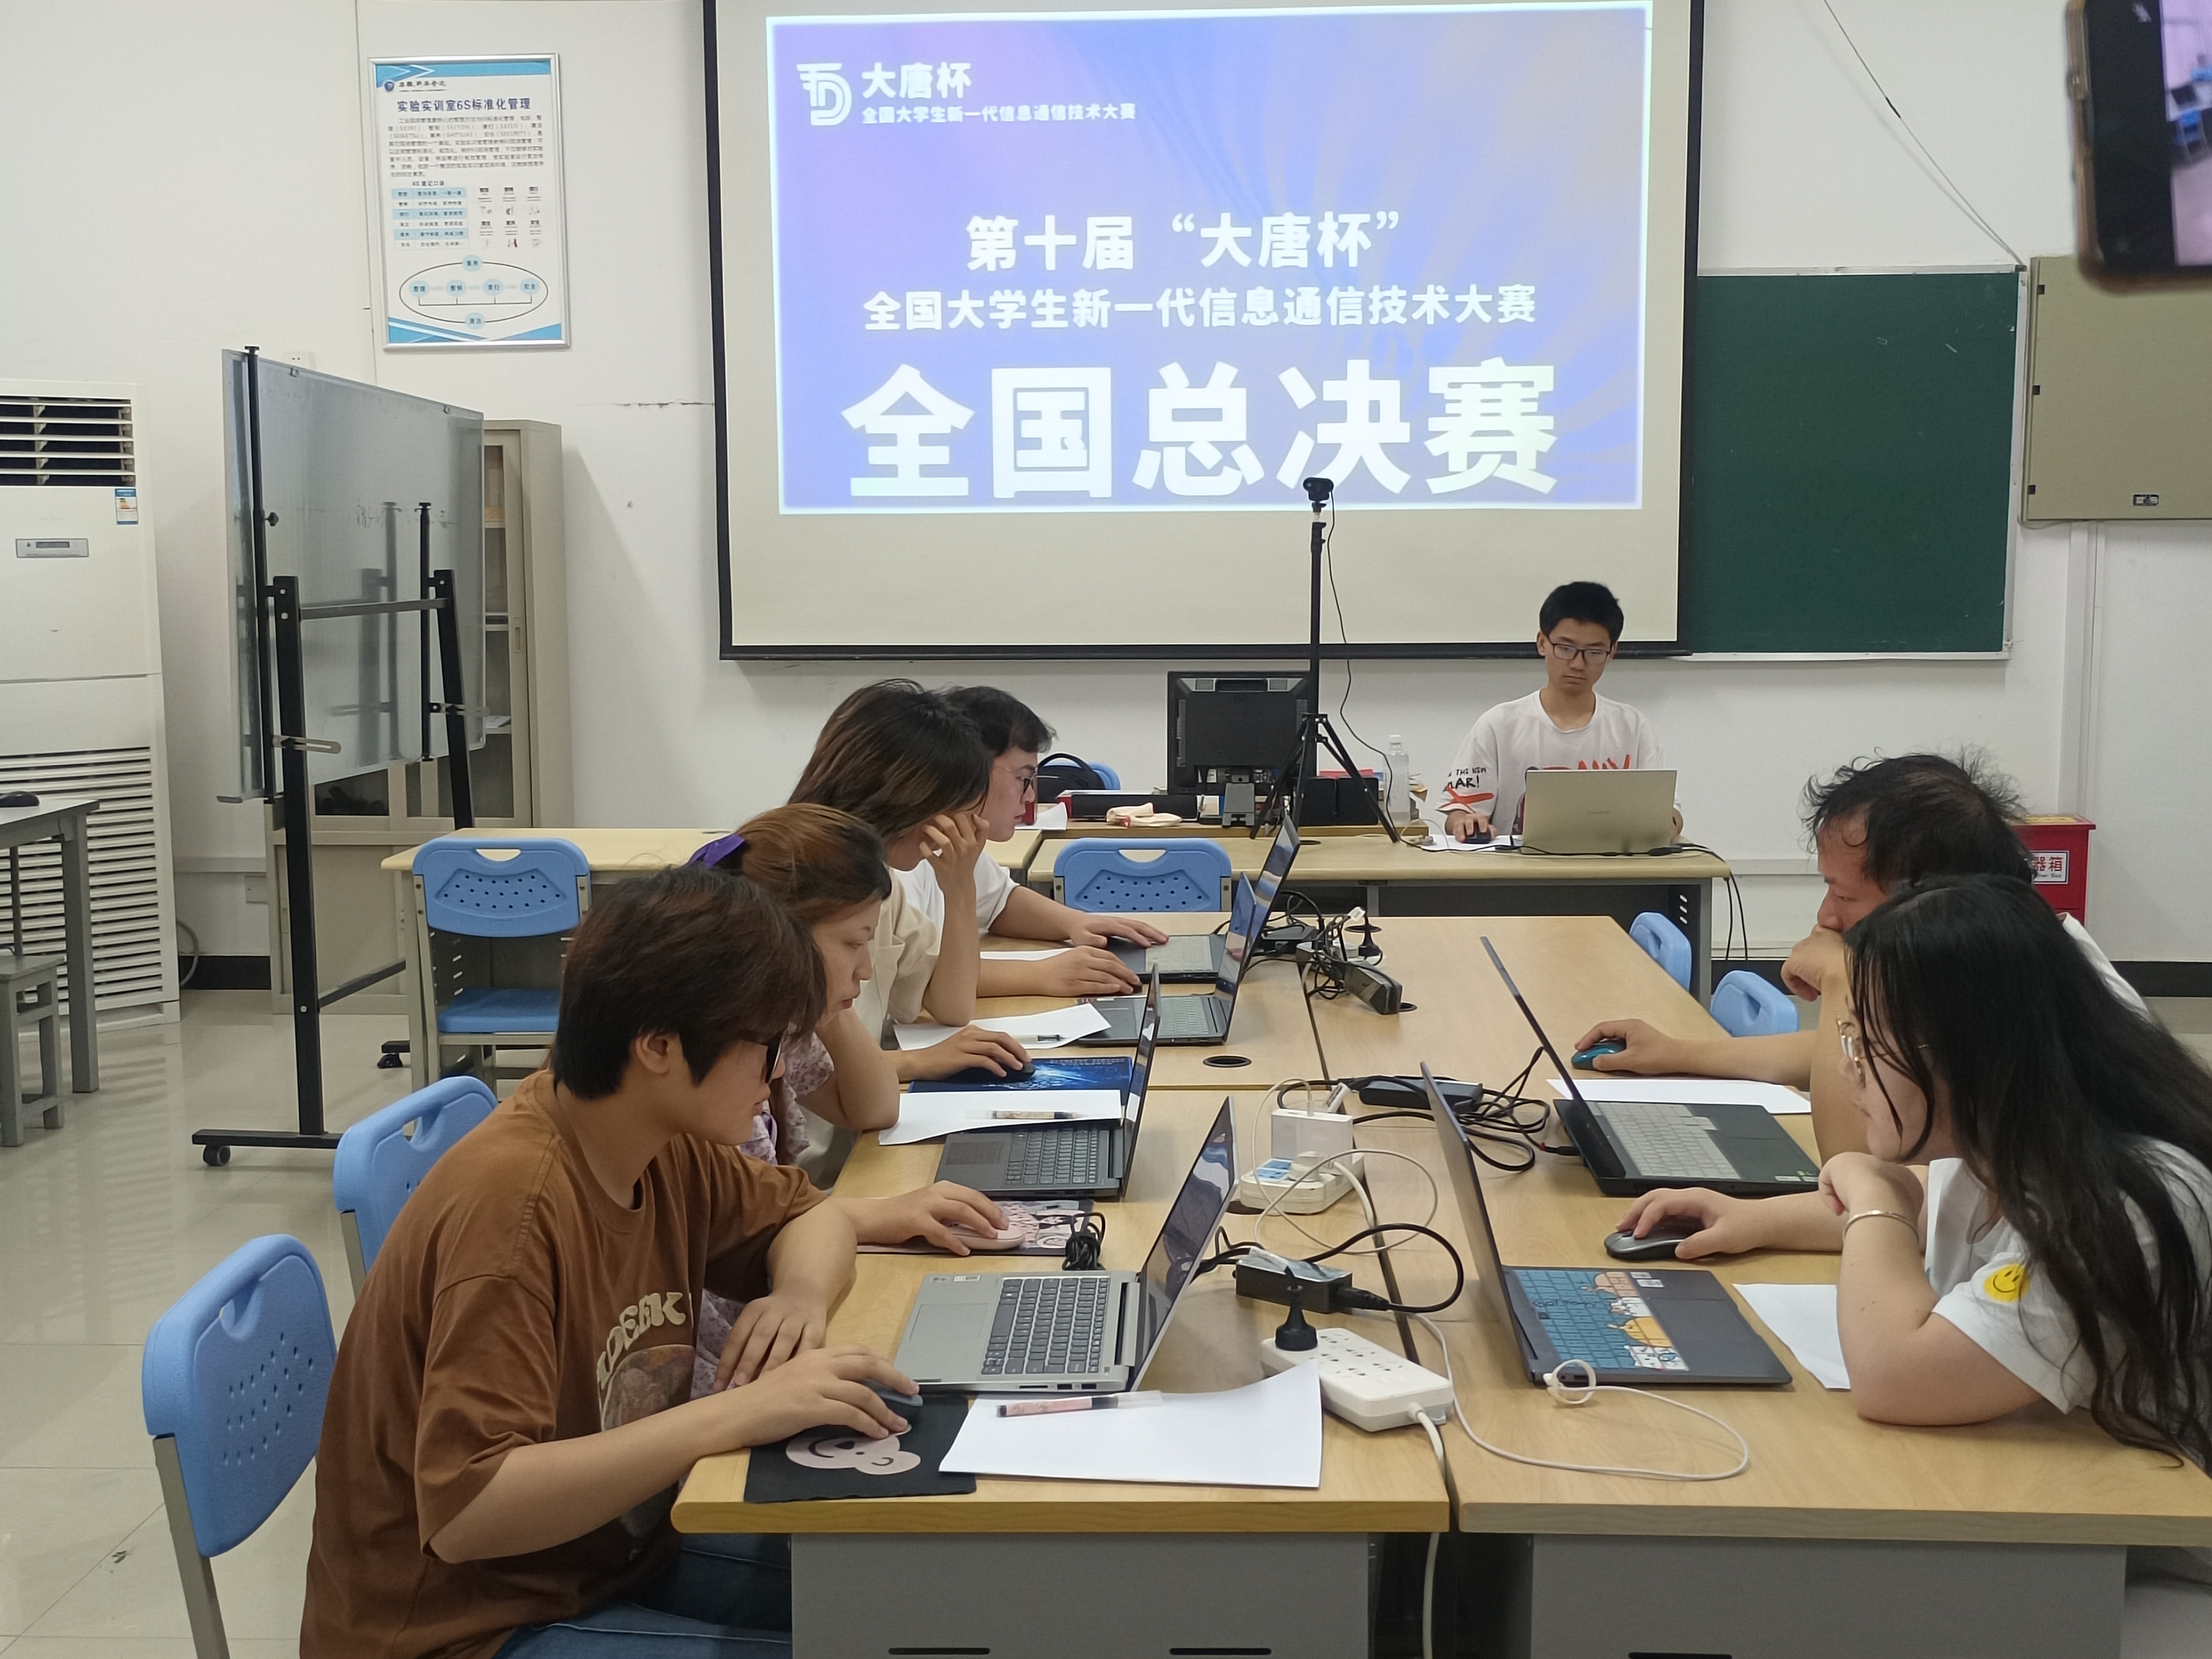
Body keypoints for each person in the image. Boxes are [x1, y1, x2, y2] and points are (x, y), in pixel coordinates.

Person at [301, 866, 915, 1659]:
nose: (774, 1076)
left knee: (905, 1596)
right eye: (764, 1046)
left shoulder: (658, 1139)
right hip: (464, 1626)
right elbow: (468, 1511)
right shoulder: (514, 1211)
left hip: (602, 1557)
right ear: (658, 1045)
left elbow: (810, 1214)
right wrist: (738, 1413)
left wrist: (797, 1295)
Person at [1616, 876, 2212, 1477]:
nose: (1849, 1069)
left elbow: (1894, 1378)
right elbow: (1932, 1199)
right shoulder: (2018, 1136)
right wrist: (1756, 1218)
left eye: (1868, 1044)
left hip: (2141, 1518)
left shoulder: (2123, 1204)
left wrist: (1874, 1196)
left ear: (1967, 1054)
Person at [1576, 752, 2147, 1158]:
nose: (1826, 917)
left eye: (1844, 896)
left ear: (1924, 896)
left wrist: (1845, 978)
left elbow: (1854, 1165)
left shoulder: (2012, 985)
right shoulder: (1989, 943)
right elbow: (1860, 1059)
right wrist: (1678, 1053)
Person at [685, 805, 1009, 1395]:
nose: (865, 969)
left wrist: (826, 1004)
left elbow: (876, 1108)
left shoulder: (777, 1030)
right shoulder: (708, 1068)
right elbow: (730, 1224)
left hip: (758, 1330)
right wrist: (873, 1215)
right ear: (782, 937)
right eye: (854, 943)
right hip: (723, 1362)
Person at [788, 680, 1030, 1083]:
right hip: (818, 1120)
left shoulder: (882, 880)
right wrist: (916, 1063)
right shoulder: (792, 890)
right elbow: (796, 1074)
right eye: (954, 806)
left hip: (861, 1106)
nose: (962, 824)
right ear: (906, 798)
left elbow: (953, 1006)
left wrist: (960, 887)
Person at [931, 685, 1169, 998]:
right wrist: (1038, 973)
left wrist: (1076, 923)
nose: (1031, 796)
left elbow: (999, 902)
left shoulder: (958, 841)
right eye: (1023, 779)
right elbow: (914, 976)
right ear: (967, 769)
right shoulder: (903, 858)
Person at [1441, 580, 1672, 843]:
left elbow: (1667, 814)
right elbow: (1459, 812)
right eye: (1566, 649)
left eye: (1594, 652)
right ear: (1542, 643)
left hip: (1612, 864)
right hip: (1517, 865)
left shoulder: (1632, 727)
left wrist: (1670, 822)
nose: (1578, 664)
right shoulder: (1499, 724)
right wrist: (1465, 822)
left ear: (1612, 652)